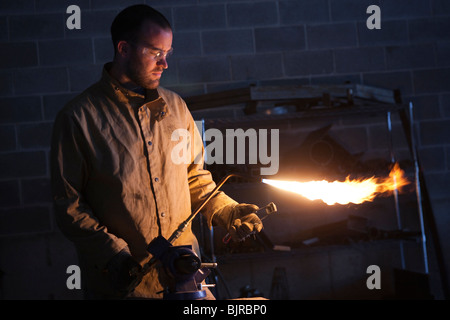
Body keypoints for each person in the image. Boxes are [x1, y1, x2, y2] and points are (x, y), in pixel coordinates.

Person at [50, 4, 263, 299]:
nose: (164, 64)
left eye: (168, 53)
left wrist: (226, 210)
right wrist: (114, 256)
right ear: (123, 49)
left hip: (187, 281)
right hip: (126, 287)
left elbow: (195, 178)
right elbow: (70, 207)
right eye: (155, 52)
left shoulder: (176, 109)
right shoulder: (79, 119)